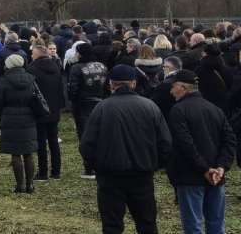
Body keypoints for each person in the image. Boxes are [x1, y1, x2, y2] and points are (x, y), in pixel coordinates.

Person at [79, 64, 172, 234]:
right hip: (142, 174)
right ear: (133, 83)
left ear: (111, 84)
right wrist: (153, 164)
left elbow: (87, 144)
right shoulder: (150, 107)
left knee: (112, 225)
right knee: (147, 224)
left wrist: (96, 166)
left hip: (110, 176)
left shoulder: (102, 108)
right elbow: (165, 143)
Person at [167, 70, 235, 234]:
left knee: (193, 225)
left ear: (182, 87)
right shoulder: (215, 109)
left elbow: (185, 145)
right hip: (216, 177)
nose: (171, 91)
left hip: (190, 177)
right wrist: (221, 167)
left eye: (173, 87)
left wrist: (204, 169)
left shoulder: (178, 110)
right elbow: (230, 140)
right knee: (216, 223)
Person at [0, 54, 38, 193]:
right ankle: (30, 184)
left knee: (15, 154)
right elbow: (36, 98)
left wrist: (1, 117)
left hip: (10, 117)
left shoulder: (4, 81)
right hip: (28, 117)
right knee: (28, 153)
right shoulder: (31, 79)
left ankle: (20, 185)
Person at [69, 42, 108, 179]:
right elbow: (107, 86)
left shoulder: (76, 68)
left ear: (81, 53)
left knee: (85, 136)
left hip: (82, 105)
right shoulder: (102, 66)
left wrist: (72, 102)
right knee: (100, 134)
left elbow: (73, 89)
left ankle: (89, 167)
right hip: (100, 103)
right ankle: (101, 164)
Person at [27, 44, 65, 181]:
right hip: (54, 109)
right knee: (53, 140)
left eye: (32, 53)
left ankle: (43, 172)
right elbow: (60, 88)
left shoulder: (32, 69)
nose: (31, 55)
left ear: (37, 55)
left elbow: (31, 91)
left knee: (41, 142)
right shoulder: (55, 66)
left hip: (40, 109)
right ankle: (56, 171)